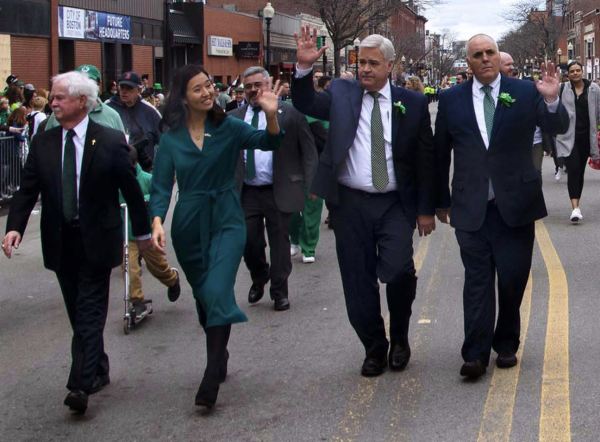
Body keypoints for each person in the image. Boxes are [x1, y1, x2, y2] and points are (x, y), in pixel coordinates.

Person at [2, 71, 151, 413]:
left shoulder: (111, 140)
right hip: (60, 240)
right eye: (52, 98)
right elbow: (28, 189)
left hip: (97, 238)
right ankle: (97, 366)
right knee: (77, 311)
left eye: (60, 98)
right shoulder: (44, 141)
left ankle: (79, 385)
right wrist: (15, 228)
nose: (53, 103)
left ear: (82, 102)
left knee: (89, 312)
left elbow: (131, 191)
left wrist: (142, 235)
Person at [292, 26, 437, 377]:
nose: (365, 69)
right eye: (361, 63)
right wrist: (303, 69)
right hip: (350, 203)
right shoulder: (342, 92)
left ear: (391, 65)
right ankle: (374, 346)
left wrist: (425, 209)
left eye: (373, 63)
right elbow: (306, 103)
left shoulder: (413, 103)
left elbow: (425, 159)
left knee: (400, 270)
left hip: (393, 204)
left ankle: (399, 336)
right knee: (357, 281)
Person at [435, 34, 569, 379]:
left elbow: (557, 128)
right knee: (477, 281)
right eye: (477, 54)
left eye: (489, 52)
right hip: (471, 206)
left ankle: (506, 342)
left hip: (516, 205)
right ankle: (475, 354)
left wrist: (552, 100)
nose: (484, 59)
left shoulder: (524, 92)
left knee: (512, 278)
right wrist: (437, 201)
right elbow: (438, 155)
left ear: (498, 56)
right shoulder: (451, 100)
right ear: (469, 62)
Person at [149, 64, 283, 409]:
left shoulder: (229, 127)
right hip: (189, 223)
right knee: (204, 297)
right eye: (198, 89)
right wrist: (157, 221)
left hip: (226, 216)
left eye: (209, 86)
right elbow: (162, 186)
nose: (208, 92)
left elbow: (269, 141)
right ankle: (219, 350)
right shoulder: (171, 139)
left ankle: (210, 375)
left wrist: (271, 115)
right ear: (183, 97)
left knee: (218, 288)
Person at [228, 66, 318, 312]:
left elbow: (308, 149)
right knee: (248, 241)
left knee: (280, 244)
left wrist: (313, 182)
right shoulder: (234, 118)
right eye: (248, 87)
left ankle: (279, 291)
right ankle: (259, 276)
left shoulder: (290, 113)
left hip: (279, 188)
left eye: (258, 85)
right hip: (247, 192)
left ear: (268, 85)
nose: (253, 90)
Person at [120, 145, 181, 318]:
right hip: (128, 236)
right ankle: (136, 301)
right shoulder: (116, 182)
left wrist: (145, 199)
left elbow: (158, 194)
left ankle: (172, 279)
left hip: (146, 234)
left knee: (158, 268)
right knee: (130, 269)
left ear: (133, 164)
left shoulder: (146, 179)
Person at [555, 61, 600, 222]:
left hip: (586, 138)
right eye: (572, 71)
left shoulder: (594, 89)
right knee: (573, 169)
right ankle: (575, 208)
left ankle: (577, 204)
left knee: (579, 172)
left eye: (578, 70)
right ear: (568, 73)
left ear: (582, 72)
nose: (575, 73)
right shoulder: (562, 88)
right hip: (568, 138)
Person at [45, 65, 125, 135]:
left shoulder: (112, 115)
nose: (85, 87)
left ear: (99, 84)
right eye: (80, 83)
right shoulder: (58, 115)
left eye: (90, 82)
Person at [107, 71, 162, 172]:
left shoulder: (150, 111)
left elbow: (165, 142)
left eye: (129, 88)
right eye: (122, 87)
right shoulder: (107, 108)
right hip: (112, 171)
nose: (124, 91)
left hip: (143, 171)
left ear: (139, 90)